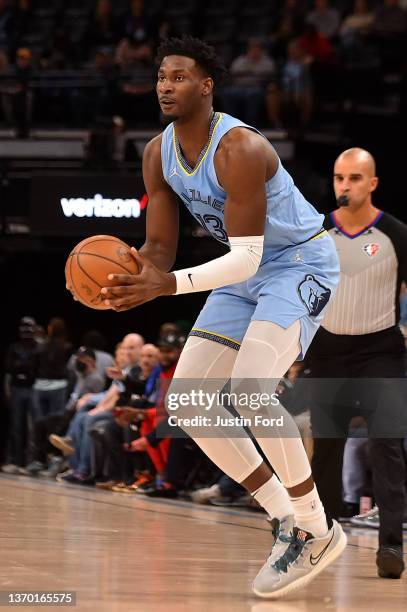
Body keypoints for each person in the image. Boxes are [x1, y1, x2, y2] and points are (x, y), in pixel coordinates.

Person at [80, 36, 346, 599]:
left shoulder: (240, 149)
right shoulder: (157, 152)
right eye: (160, 78)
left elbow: (248, 254)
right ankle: (283, 518)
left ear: (206, 85)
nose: (165, 86)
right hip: (242, 272)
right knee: (189, 401)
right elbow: (159, 249)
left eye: (178, 77)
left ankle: (316, 525)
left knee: (251, 388)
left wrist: (167, 285)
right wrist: (132, 281)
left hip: (298, 262)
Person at [307, 147, 407, 579]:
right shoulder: (314, 232)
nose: (344, 186)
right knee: (325, 448)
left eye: (354, 178)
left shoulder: (397, 234)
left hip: (380, 351)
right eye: (338, 178)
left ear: (372, 184)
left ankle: (390, 546)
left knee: (387, 444)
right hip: (328, 350)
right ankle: (323, 538)